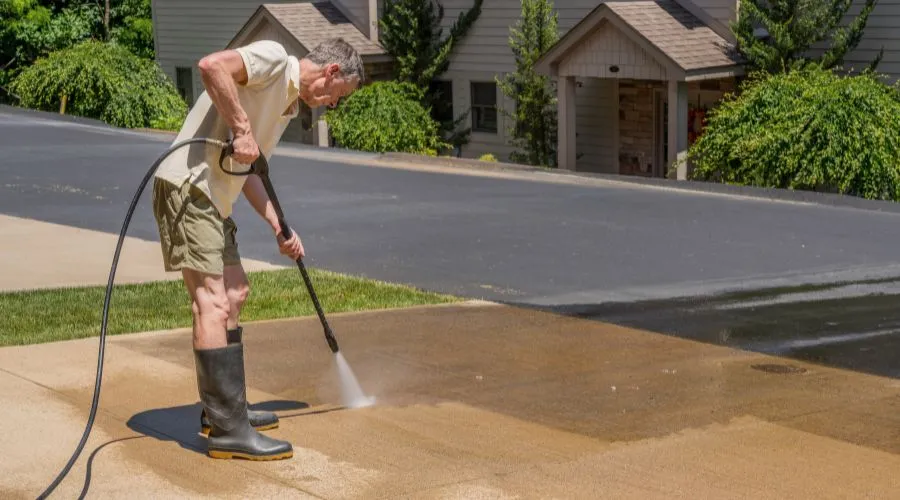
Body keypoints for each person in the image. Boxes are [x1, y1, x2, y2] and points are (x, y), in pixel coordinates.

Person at [151, 38, 363, 461]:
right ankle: (229, 430)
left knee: (235, 294)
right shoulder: (273, 59)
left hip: (214, 196)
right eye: (336, 97)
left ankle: (225, 408)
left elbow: (248, 167)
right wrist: (243, 130)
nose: (330, 106)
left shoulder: (285, 104)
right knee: (211, 303)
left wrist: (279, 227)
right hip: (190, 188)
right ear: (331, 73)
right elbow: (211, 65)